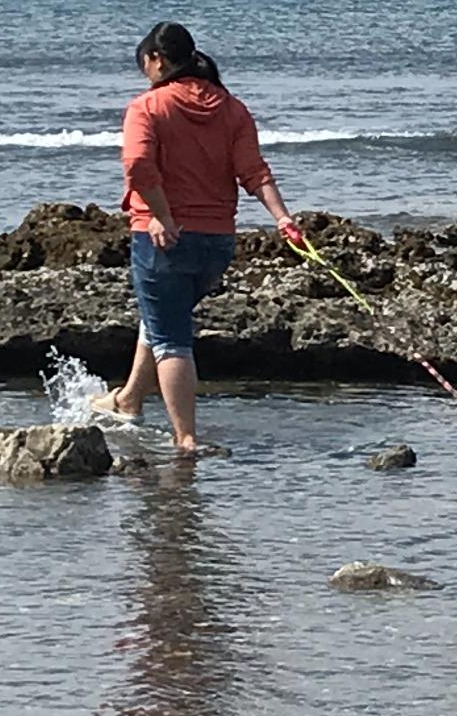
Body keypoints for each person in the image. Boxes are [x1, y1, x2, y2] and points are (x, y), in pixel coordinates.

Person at [91, 22, 305, 455]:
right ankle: (129, 400)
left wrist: (162, 216)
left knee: (172, 339)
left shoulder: (147, 107)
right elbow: (254, 172)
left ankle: (185, 439)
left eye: (145, 64)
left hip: (163, 239)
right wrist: (284, 219)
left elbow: (136, 164)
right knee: (161, 318)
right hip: (217, 243)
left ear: (157, 60)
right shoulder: (232, 108)